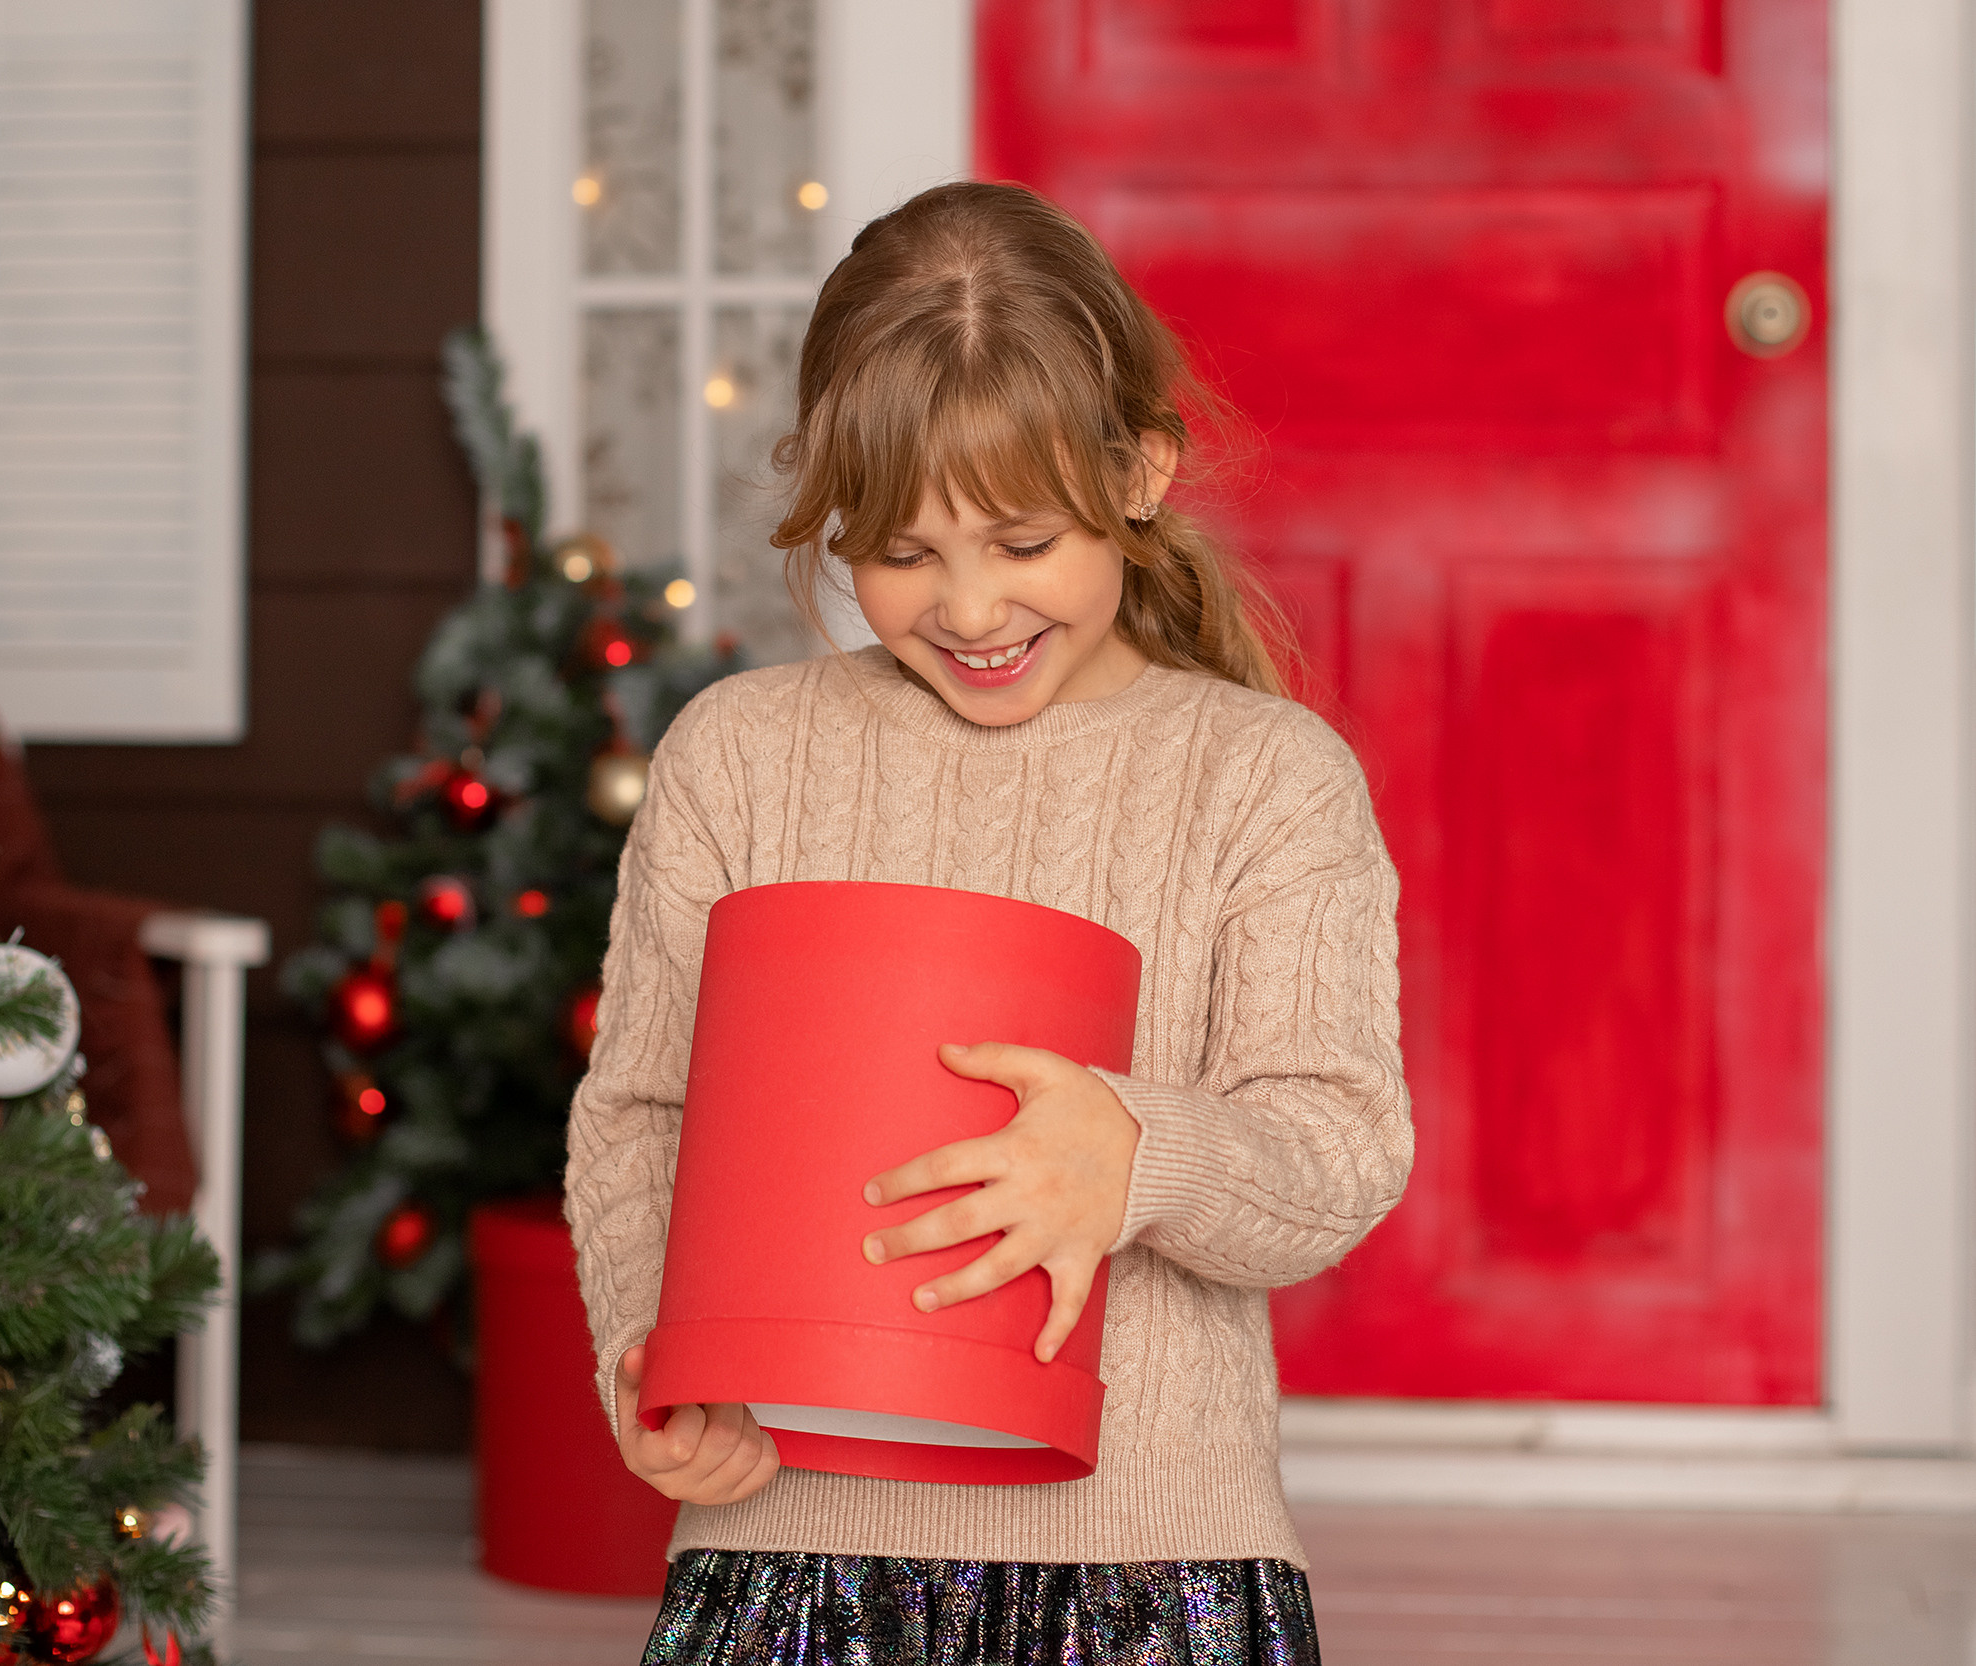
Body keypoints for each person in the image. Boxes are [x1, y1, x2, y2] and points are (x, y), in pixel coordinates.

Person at [564, 180, 1411, 1665]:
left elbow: (1337, 1144)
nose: (968, 607)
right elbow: (641, 1112)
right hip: (790, 1553)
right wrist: (652, 1356)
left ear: (1139, 472)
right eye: (900, 551)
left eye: (1022, 541)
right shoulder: (740, 756)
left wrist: (1139, 1152)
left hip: (1155, 1564)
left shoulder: (1264, 777)